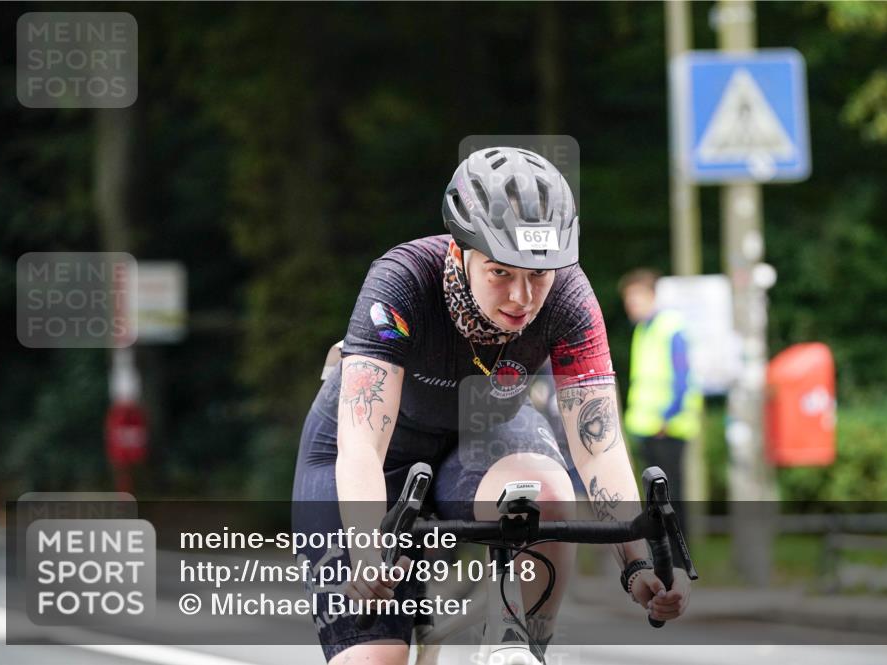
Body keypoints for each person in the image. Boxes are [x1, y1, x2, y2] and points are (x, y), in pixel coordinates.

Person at [293, 147, 691, 665]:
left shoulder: (569, 295)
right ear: (460, 253)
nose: (522, 297)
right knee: (375, 659)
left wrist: (638, 563)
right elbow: (363, 443)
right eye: (501, 272)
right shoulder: (403, 280)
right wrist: (369, 549)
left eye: (539, 275)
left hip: (480, 432)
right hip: (373, 453)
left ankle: (524, 645)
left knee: (547, 492)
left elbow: (598, 447)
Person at [618, 269, 703, 535]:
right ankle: (662, 554)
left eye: (636, 297)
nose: (631, 304)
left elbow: (682, 377)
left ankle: (679, 558)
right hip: (648, 428)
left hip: (667, 428)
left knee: (671, 496)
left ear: (652, 296)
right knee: (656, 498)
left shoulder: (670, 327)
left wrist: (666, 418)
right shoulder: (644, 329)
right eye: (628, 299)